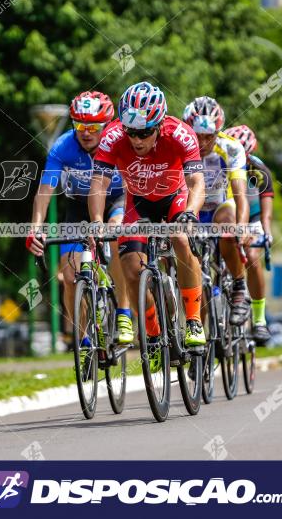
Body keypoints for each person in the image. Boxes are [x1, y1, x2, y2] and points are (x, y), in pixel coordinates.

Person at [89, 81, 206, 373]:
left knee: (180, 238)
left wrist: (191, 213)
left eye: (144, 133)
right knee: (130, 265)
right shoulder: (113, 136)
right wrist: (96, 223)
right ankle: (152, 336)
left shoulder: (180, 134)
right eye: (131, 133)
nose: (136, 140)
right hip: (138, 203)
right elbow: (99, 183)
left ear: (160, 125)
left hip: (174, 199)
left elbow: (196, 183)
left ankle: (193, 320)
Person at [25, 91, 134, 355]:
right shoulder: (63, 147)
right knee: (71, 277)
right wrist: (35, 227)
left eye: (94, 126)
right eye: (80, 125)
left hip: (117, 200)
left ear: (107, 125)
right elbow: (45, 191)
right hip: (78, 208)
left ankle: (123, 313)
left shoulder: (120, 142)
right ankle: (83, 341)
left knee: (117, 236)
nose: (86, 132)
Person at [182, 97, 251, 326]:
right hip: (192, 208)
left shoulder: (231, 148)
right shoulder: (178, 147)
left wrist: (241, 227)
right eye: (197, 135)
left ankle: (240, 286)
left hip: (222, 205)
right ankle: (195, 333)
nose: (202, 142)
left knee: (228, 226)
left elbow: (241, 195)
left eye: (208, 136)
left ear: (218, 132)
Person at [224, 125, 274, 343]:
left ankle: (260, 320)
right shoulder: (218, 162)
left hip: (252, 217)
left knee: (252, 257)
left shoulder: (258, 168)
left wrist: (266, 230)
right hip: (226, 212)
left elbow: (266, 206)